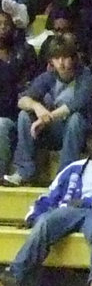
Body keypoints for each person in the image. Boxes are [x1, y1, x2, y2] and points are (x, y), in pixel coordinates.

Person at [0, 121, 92, 286]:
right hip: (69, 211)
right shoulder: (72, 168)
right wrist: (34, 214)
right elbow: (49, 195)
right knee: (45, 220)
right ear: (86, 143)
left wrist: (89, 201)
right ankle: (13, 277)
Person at [4, 34, 92, 186]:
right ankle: (24, 171)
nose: (61, 63)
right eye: (57, 58)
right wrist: (37, 107)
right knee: (24, 115)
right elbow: (22, 100)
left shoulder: (87, 77)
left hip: (81, 132)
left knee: (76, 118)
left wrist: (46, 117)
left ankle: (64, 174)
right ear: (51, 61)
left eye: (65, 57)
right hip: (53, 130)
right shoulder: (49, 76)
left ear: (73, 58)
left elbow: (77, 104)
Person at [0, 11, 39, 176]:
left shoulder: (25, 51)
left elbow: (30, 85)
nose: (2, 28)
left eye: (6, 24)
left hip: (23, 114)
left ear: (14, 27)